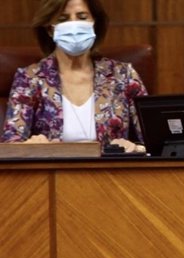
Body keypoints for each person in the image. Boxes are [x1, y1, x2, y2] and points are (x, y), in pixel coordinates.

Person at [1, 0, 147, 152]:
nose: (74, 26)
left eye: (82, 17)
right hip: (54, 173)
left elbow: (156, 140)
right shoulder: (29, 78)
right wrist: (31, 146)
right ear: (50, 29)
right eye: (63, 19)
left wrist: (136, 148)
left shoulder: (123, 75)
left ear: (95, 24)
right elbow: (10, 145)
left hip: (112, 173)